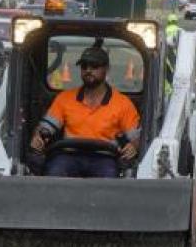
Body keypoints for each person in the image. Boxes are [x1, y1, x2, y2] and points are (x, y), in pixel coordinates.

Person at [30, 42, 141, 178]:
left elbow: (136, 138)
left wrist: (133, 147)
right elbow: (45, 127)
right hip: (68, 156)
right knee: (54, 175)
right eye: (84, 66)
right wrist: (37, 136)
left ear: (106, 69)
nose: (88, 70)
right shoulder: (64, 98)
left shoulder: (123, 103)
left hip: (104, 159)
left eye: (94, 66)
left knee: (110, 182)